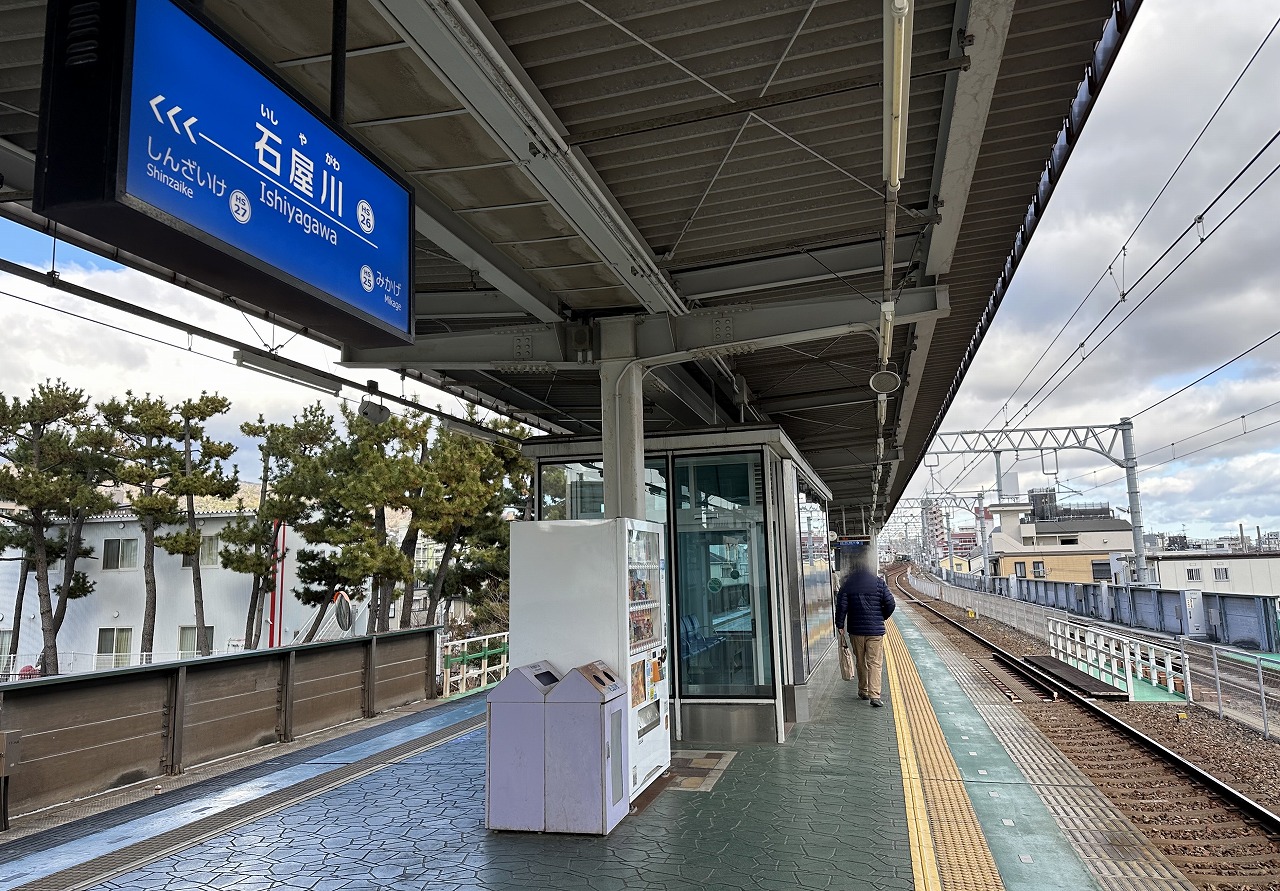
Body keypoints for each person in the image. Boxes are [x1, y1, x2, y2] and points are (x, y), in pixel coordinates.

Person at [835, 553, 896, 707]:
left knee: (860, 661)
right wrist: (882, 617)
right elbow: (890, 603)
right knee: (875, 662)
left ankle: (863, 690)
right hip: (875, 631)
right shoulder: (878, 582)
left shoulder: (848, 584)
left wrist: (840, 624)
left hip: (856, 630)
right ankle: (875, 696)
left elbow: (841, 607)